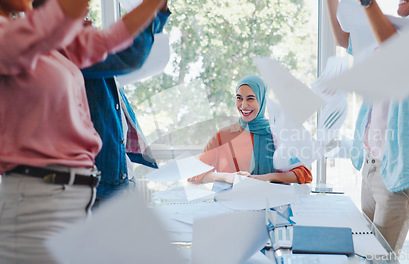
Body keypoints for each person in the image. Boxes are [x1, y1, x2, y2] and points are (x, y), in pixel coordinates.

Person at [0, 0, 167, 262]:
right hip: (38, 200)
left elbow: (109, 41)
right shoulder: (9, 38)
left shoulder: (46, 43)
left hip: (74, 197)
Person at [327, 0, 409, 253]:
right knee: (364, 252)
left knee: (379, 258)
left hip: (401, 172)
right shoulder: (390, 32)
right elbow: (344, 39)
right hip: (372, 164)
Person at [81, 3, 170, 205]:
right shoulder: (68, 51)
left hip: (117, 180)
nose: (87, 10)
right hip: (98, 188)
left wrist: (158, 10)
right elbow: (129, 53)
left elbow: (140, 48)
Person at [188, 75, 312, 184]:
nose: (243, 105)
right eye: (239, 98)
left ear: (262, 100)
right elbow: (193, 173)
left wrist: (267, 178)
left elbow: (305, 173)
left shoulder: (279, 133)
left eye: (250, 98)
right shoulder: (223, 136)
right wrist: (228, 177)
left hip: (271, 206)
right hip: (230, 205)